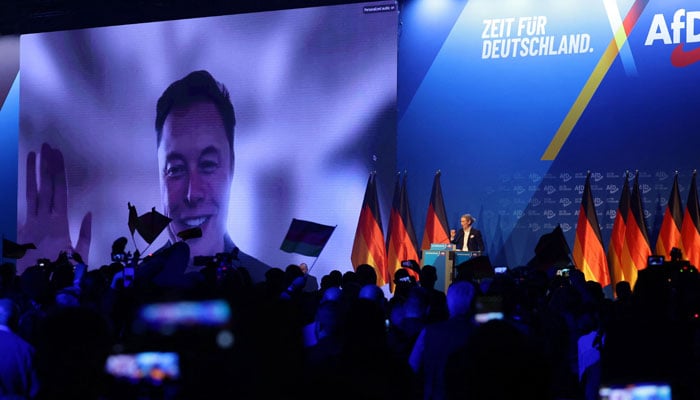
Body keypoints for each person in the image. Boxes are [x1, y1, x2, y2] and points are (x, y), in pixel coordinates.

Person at [153, 70, 270, 282]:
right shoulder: (123, 292)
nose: (192, 194)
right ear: (160, 174)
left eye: (207, 165)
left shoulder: (270, 288)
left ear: (231, 167)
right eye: (175, 169)